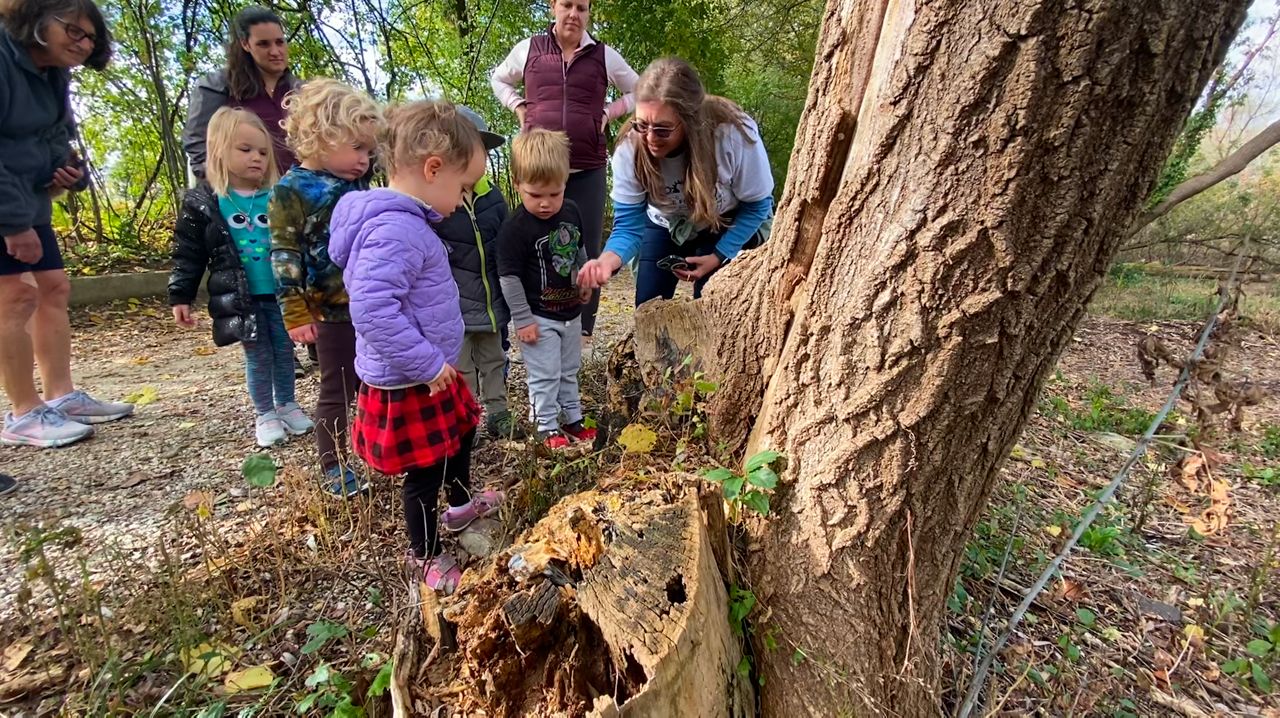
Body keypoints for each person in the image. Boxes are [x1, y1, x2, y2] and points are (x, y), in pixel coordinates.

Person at [330, 100, 505, 594]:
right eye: (462, 186)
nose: (463, 197)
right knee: (423, 472)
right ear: (433, 169)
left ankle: (462, 504)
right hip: (413, 377)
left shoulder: (410, 222)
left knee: (463, 431)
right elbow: (372, 309)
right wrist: (427, 363)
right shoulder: (395, 228)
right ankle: (425, 554)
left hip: (433, 370)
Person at [0, 0, 133, 449]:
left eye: (91, 37)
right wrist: (12, 223)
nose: (83, 43)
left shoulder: (53, 74)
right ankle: (23, 411)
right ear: (37, 21)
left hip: (28, 195)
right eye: (73, 31)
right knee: (14, 295)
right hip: (5, 201)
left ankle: (61, 396)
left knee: (53, 285)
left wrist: (67, 170)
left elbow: (59, 136)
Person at [490, 0, 639, 344]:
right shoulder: (529, 49)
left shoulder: (604, 55)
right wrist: (518, 106)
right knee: (536, 245)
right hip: (541, 170)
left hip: (587, 167)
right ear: (553, 8)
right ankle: (535, 320)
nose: (574, 13)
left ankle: (583, 329)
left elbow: (639, 88)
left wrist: (608, 112)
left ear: (589, 14)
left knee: (584, 243)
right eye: (567, 5)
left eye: (582, 8)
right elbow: (499, 79)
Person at [169, 108, 314, 447]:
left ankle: (287, 404)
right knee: (258, 354)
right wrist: (180, 294)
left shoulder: (278, 196)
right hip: (241, 296)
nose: (256, 159)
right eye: (245, 150)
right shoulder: (206, 204)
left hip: (282, 294)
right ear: (219, 151)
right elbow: (188, 253)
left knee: (283, 349)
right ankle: (264, 412)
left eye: (263, 152)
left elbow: (299, 244)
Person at [578, 58, 774, 306]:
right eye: (642, 125)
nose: (650, 138)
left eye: (662, 129)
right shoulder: (630, 147)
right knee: (648, 308)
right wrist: (606, 261)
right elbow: (629, 226)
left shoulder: (733, 134)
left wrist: (719, 255)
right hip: (664, 224)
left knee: (712, 306)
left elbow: (758, 205)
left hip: (724, 221)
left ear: (689, 120)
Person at [269, 78, 379, 497]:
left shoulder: (354, 186)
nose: (365, 160)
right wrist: (295, 311)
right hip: (330, 310)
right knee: (338, 386)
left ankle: (371, 450)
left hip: (368, 304)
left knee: (372, 381)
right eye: (357, 148)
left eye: (369, 151)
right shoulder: (290, 191)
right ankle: (333, 466)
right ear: (323, 136)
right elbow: (283, 254)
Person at [497, 129, 597, 450]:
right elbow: (509, 277)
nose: (545, 204)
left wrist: (583, 279)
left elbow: (578, 249)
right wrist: (523, 319)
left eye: (554, 194)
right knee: (545, 373)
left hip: (569, 311)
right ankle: (545, 425)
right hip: (538, 316)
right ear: (517, 184)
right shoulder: (515, 228)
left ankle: (571, 418)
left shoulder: (571, 211)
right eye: (535, 194)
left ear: (565, 182)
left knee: (569, 369)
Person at [434, 106, 524, 441]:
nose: (480, 158)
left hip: (491, 303)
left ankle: (499, 413)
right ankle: (466, 419)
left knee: (495, 359)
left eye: (483, 152)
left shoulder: (492, 197)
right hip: (455, 307)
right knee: (462, 368)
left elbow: (507, 243)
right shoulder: (438, 201)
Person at [183, 5, 298, 179]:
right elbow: (199, 151)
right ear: (245, 44)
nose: (275, 51)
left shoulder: (301, 91)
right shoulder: (216, 88)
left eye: (280, 42)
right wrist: (234, 190)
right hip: (243, 199)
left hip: (302, 195)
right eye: (263, 44)